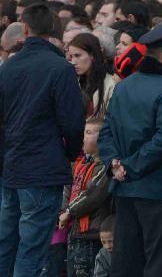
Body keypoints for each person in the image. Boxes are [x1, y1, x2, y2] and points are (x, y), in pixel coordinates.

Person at [0, 3, 85, 277]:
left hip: (14, 165)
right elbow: (73, 123)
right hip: (43, 168)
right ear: (55, 30)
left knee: (4, 243)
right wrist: (69, 153)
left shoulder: (8, 67)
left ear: (25, 29)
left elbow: (3, 115)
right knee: (31, 248)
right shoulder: (60, 69)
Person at [98, 16, 162, 277]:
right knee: (160, 263)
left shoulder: (123, 87)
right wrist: (127, 165)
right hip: (160, 190)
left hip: (126, 188)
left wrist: (115, 164)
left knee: (127, 261)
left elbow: (105, 132)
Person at [60, 116, 112, 277]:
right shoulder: (80, 164)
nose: (84, 137)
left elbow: (92, 195)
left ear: (102, 137)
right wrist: (63, 211)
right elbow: (67, 189)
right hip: (75, 232)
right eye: (84, 132)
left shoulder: (105, 166)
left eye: (89, 132)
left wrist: (69, 211)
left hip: (91, 234)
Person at [67, 32, 118, 119]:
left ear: (93, 55)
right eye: (71, 57)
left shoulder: (111, 84)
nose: (73, 62)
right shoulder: (72, 81)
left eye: (77, 55)